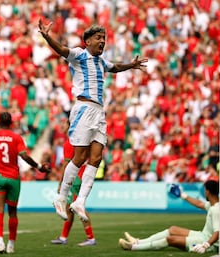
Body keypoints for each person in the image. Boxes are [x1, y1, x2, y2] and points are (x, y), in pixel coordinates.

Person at [38, 19, 148, 222]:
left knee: (96, 158)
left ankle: (80, 201)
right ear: (87, 41)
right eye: (98, 38)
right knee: (79, 157)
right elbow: (62, 50)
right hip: (84, 108)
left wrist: (131, 65)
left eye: (104, 38)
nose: (102, 41)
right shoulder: (80, 55)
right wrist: (47, 37)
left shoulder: (100, 62)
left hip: (99, 112)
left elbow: (114, 67)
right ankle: (60, 197)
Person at [0, 112, 49, 254]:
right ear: (11, 123)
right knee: (12, 213)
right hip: (12, 178)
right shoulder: (16, 137)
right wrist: (38, 167)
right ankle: (11, 244)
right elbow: (24, 156)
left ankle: (0, 242)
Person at [118, 180, 219, 254]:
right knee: (173, 229)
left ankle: (133, 247)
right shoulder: (214, 205)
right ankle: (138, 241)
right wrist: (182, 195)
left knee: (170, 239)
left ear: (207, 192)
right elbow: (199, 204)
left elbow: (218, 232)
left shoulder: (216, 210)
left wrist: (206, 245)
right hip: (204, 235)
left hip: (208, 242)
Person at [51, 119, 96, 246]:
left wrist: (61, 184)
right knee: (69, 209)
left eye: (64, 124)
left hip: (75, 179)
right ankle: (63, 237)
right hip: (81, 176)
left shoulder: (69, 142)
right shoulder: (80, 140)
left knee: (78, 208)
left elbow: (66, 165)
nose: (61, 125)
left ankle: (91, 238)